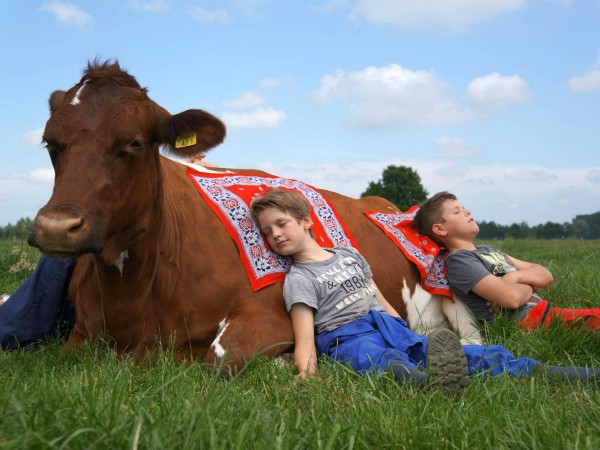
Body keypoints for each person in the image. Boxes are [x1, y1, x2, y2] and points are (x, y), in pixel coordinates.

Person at [250, 189, 600, 392]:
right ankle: (428, 383)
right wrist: (307, 373)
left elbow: (376, 294)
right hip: (345, 336)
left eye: (282, 224)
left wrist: (396, 324)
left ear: (307, 221)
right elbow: (306, 335)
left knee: (458, 352)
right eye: (267, 232)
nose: (275, 235)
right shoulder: (299, 278)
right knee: (378, 359)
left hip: (382, 322)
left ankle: (557, 372)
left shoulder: (348, 253)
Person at [413, 191, 600, 331]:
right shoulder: (460, 261)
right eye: (457, 212)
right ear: (440, 229)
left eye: (463, 208)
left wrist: (514, 279)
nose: (466, 211)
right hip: (526, 321)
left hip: (542, 313)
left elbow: (546, 274)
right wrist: (529, 284)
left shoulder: (489, 250)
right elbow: (511, 299)